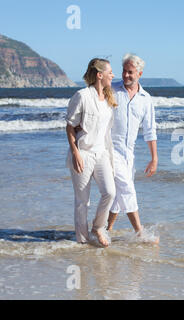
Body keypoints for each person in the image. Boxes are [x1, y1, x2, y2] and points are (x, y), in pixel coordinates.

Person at [105, 53, 158, 242]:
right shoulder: (110, 90)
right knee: (127, 189)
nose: (126, 75)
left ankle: (106, 229)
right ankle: (140, 232)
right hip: (110, 150)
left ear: (139, 74)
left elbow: (150, 131)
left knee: (119, 196)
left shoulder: (146, 99)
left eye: (130, 72)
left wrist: (154, 158)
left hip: (129, 154)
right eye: (124, 71)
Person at [65, 58, 117, 247]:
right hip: (83, 153)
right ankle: (82, 241)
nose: (113, 75)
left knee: (110, 193)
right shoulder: (82, 96)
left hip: (102, 153)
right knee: (82, 202)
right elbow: (70, 127)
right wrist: (75, 152)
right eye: (110, 72)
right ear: (99, 75)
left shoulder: (109, 98)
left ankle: (98, 227)